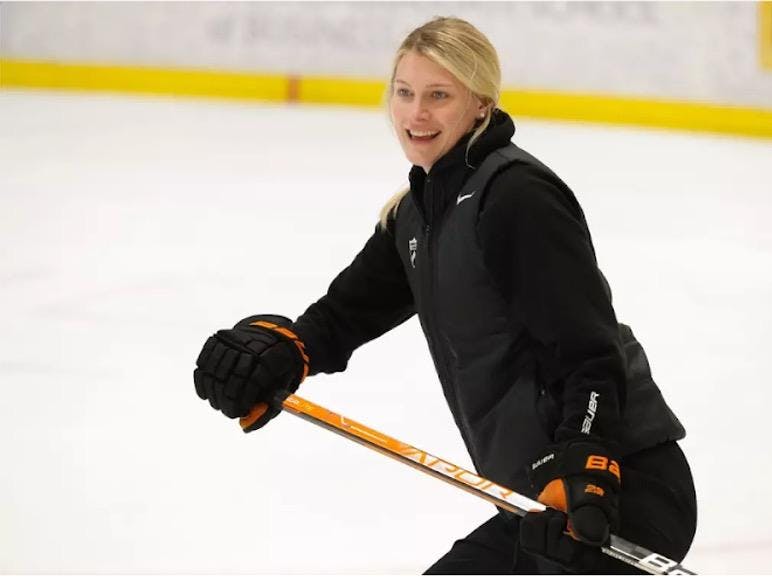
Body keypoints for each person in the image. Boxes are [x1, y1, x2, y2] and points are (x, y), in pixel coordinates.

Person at [194, 16, 696, 574]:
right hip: (536, 506)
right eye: (404, 94)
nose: (416, 114)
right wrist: (280, 352)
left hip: (617, 490)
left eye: (438, 95)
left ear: (479, 103)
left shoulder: (516, 198)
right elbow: (338, 319)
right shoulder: (416, 216)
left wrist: (585, 463)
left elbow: (589, 349)